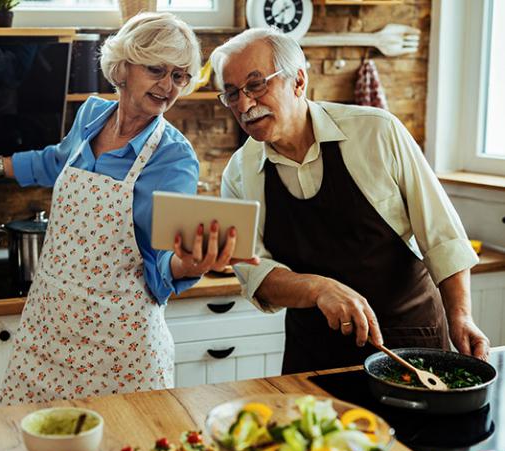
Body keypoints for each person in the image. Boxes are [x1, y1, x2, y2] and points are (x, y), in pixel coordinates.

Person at [0, 12, 249, 403]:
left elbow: (162, 261)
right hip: (47, 335)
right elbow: (55, 160)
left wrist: (193, 263)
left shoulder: (174, 159)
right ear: (122, 68)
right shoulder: (91, 115)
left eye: (179, 75)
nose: (167, 86)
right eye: (156, 69)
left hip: (119, 355)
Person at [209, 28, 490, 374]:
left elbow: (443, 237)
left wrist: (461, 315)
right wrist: (318, 288)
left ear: (298, 81)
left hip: (408, 343)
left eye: (256, 85)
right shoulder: (238, 173)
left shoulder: (377, 132)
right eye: (232, 93)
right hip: (313, 357)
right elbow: (255, 274)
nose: (244, 104)